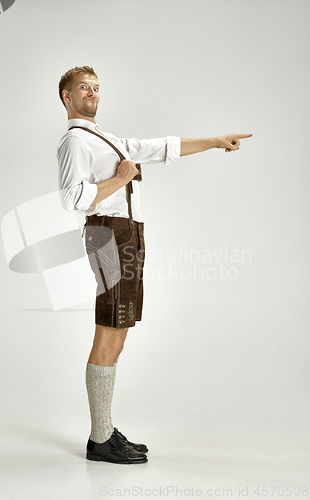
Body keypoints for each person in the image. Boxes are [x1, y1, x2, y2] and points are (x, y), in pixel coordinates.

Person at [57, 65, 252, 465]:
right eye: (83, 88)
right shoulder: (76, 141)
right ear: (67, 97)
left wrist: (215, 141)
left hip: (125, 233)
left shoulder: (105, 138)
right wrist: (123, 177)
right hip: (108, 234)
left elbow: (161, 147)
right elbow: (73, 198)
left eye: (96, 87)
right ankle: (100, 439)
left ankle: (105, 428)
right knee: (110, 328)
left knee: (120, 327)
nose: (92, 92)